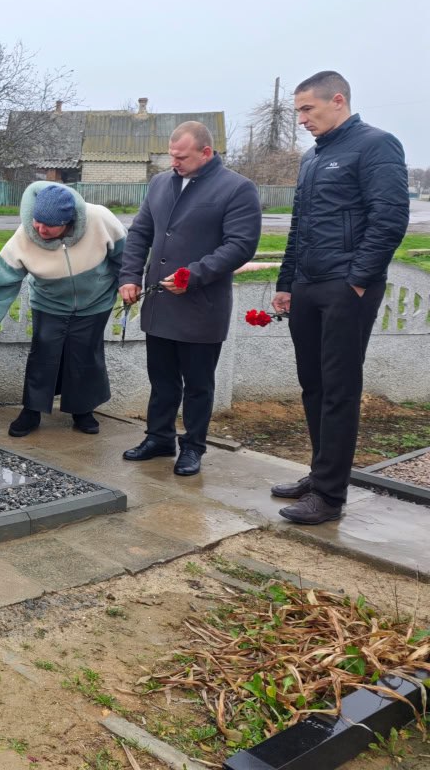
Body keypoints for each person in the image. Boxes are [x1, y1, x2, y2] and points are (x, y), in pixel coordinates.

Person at [270, 71, 409, 524]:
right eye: (298, 111)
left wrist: (358, 280)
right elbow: (298, 226)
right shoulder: (312, 157)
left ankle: (329, 497)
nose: (302, 120)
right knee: (313, 384)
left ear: (337, 100)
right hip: (308, 285)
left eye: (307, 109)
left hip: (346, 288)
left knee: (339, 389)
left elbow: (389, 217)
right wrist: (286, 283)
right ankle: (319, 474)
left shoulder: (376, 145)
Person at [118, 122, 261, 476]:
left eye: (181, 157)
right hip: (160, 304)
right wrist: (130, 276)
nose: (174, 163)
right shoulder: (159, 184)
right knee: (162, 380)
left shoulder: (236, 188)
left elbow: (240, 245)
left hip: (201, 307)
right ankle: (159, 438)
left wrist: (193, 275)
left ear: (206, 152)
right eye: (171, 155)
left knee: (198, 385)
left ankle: (193, 447)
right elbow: (140, 233)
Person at [0, 183, 126, 437]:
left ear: (68, 221)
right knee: (43, 353)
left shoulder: (100, 219)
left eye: (49, 226)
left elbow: (124, 256)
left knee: (85, 354)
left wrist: (128, 283)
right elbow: (4, 280)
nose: (40, 230)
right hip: (49, 302)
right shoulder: (25, 235)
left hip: (95, 301)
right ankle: (32, 411)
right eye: (37, 222)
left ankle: (82, 411)